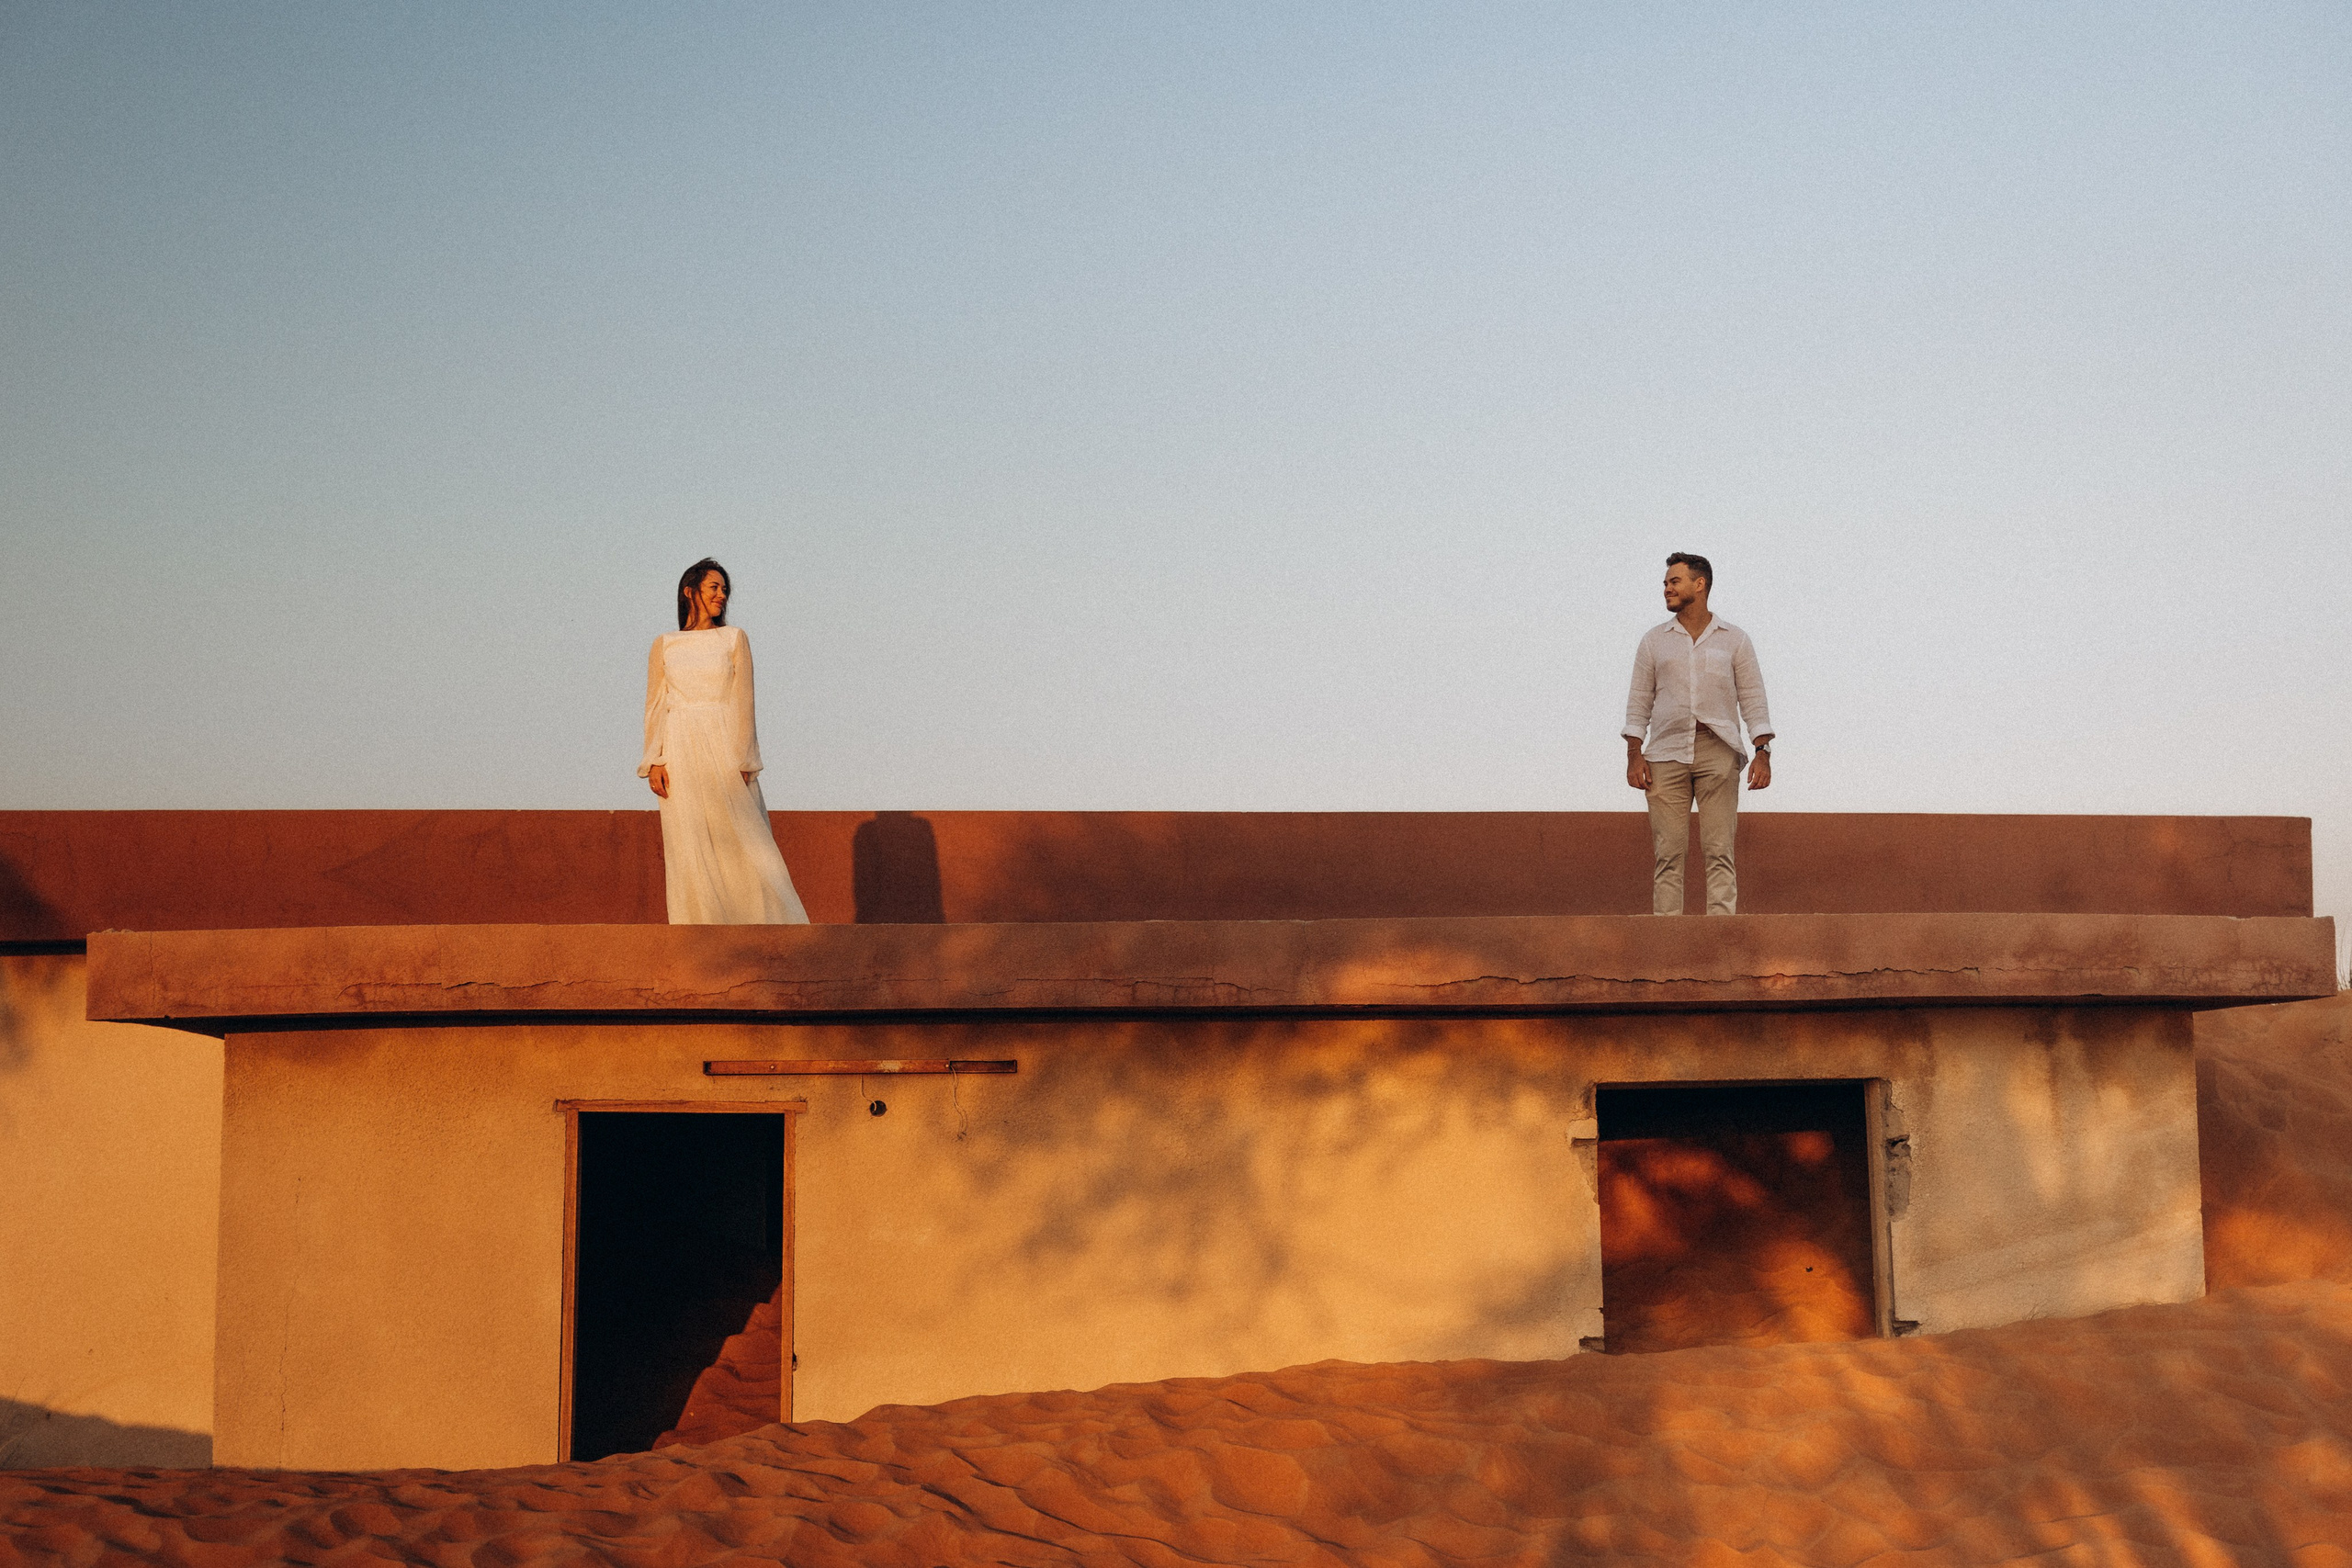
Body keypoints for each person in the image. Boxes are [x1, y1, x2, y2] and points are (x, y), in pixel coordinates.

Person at [639, 558, 811, 925]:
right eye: (714, 587)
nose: (722, 595)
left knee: (748, 838)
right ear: (690, 591)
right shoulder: (664, 645)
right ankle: (699, 933)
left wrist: (747, 759)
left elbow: (743, 701)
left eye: (724, 589)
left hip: (723, 742)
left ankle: (777, 927)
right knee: (690, 842)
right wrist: (653, 760)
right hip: (680, 747)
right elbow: (656, 704)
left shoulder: (733, 638)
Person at [1622, 552, 1774, 915]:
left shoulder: (1734, 639)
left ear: (1699, 584)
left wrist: (1763, 751)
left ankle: (1720, 937)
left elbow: (1753, 697)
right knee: (1668, 853)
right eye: (1665, 583)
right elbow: (1639, 701)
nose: (1666, 589)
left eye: (1674, 582)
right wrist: (1633, 754)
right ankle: (1667, 940)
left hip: (1718, 751)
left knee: (1719, 850)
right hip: (1664, 754)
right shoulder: (1654, 641)